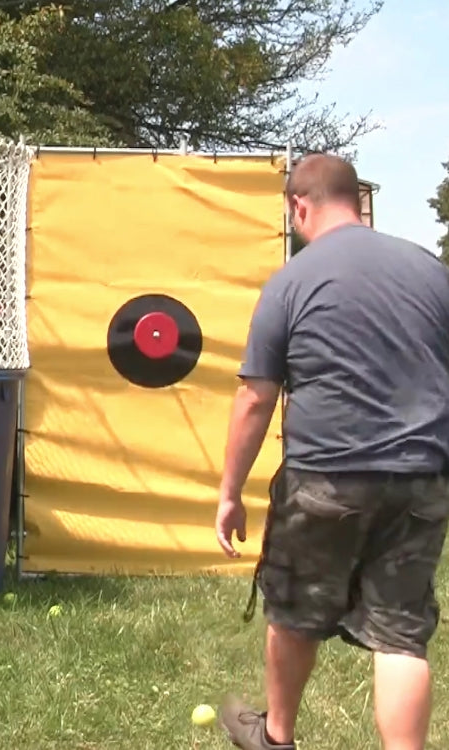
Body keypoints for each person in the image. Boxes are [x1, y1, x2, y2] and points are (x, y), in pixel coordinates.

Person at [214, 152, 449, 750]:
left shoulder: (292, 279)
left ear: (299, 205)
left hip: (326, 476)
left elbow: (254, 399)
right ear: (358, 200)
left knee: (294, 611)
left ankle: (276, 736)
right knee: (400, 635)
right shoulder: (430, 272)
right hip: (420, 477)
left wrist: (229, 492)